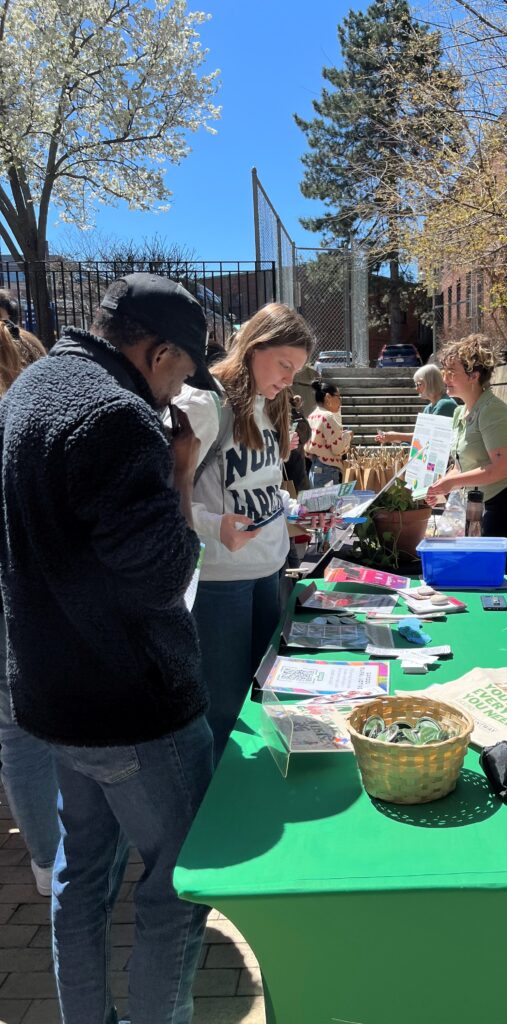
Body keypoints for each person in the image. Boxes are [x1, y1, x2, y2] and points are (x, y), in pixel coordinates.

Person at [0, 272, 215, 1023]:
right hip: (134, 706)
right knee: (179, 887)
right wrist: (181, 473)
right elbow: (163, 572)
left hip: (57, 702)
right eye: (183, 373)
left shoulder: (27, 390)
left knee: (80, 876)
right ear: (158, 352)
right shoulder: (119, 416)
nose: (179, 393)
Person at [172, 303, 314, 764]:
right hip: (220, 579)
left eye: (297, 370)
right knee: (223, 706)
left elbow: (263, 484)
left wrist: (291, 514)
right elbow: (162, 495)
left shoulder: (269, 406)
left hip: (266, 571)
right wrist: (215, 527)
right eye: (284, 365)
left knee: (264, 694)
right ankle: (213, 817)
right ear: (254, 348)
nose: (290, 379)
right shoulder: (204, 401)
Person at [0, 320, 57, 897]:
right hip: (25, 587)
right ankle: (51, 857)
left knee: (16, 733)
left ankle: (45, 857)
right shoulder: (26, 410)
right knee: (26, 730)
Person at [426, 334, 507, 582]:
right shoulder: (459, 412)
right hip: (482, 505)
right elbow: (462, 466)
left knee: (496, 582)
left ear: (474, 375)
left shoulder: (492, 411)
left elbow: (501, 468)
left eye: (451, 371)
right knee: (479, 578)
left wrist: (451, 483)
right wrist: (440, 485)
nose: (445, 378)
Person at [376, 363, 458, 444]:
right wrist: (394, 439)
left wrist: (396, 436)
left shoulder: (445, 404)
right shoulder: (429, 407)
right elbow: (422, 439)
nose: (416, 389)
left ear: (430, 382)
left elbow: (428, 437)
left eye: (419, 384)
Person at [305, 379, 352, 486]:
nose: (340, 401)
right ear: (328, 397)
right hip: (328, 469)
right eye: (338, 397)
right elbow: (337, 449)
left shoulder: (312, 416)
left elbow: (307, 447)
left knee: (317, 501)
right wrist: (347, 436)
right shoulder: (328, 417)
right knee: (330, 502)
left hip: (315, 467)